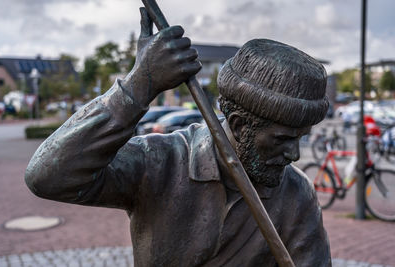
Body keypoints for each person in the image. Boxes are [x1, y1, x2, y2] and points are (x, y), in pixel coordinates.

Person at [25, 9, 331, 266]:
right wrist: (138, 85)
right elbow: (47, 177)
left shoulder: (296, 194)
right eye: (281, 140)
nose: (294, 155)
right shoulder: (160, 162)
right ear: (237, 125)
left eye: (300, 138)